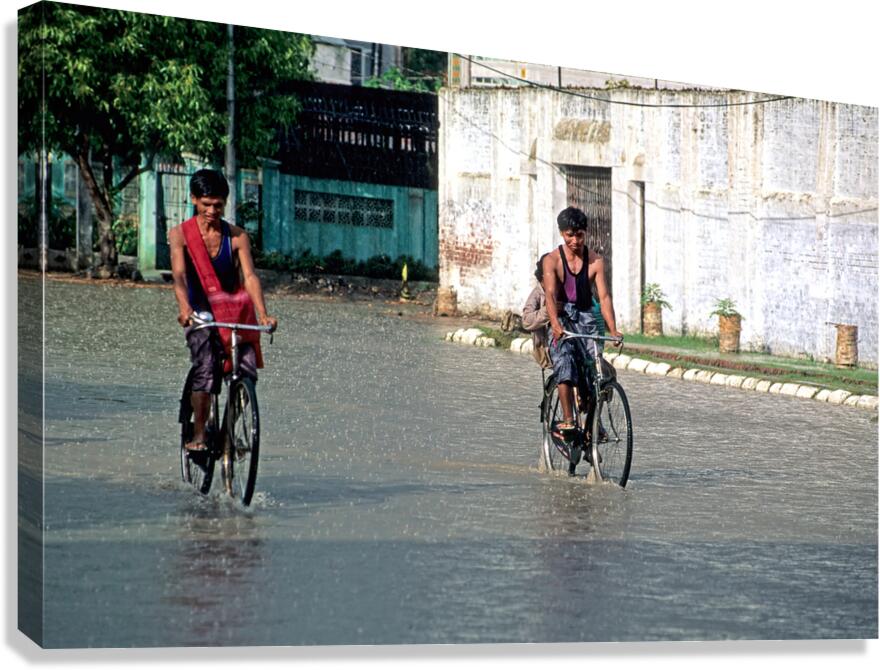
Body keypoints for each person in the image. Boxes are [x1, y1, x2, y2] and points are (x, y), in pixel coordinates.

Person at [169, 169, 278, 451]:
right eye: (206, 204)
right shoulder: (180, 235)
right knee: (205, 368)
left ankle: (230, 433)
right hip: (200, 314)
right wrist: (184, 309)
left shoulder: (238, 237)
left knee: (247, 372)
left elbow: (250, 277)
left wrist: (263, 313)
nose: (212, 211)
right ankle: (200, 433)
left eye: (218, 205)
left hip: (234, 314)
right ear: (194, 200)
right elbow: (179, 276)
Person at [542, 206, 621, 438]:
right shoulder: (552, 260)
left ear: (585, 234)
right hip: (562, 317)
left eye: (579, 235)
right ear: (562, 234)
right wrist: (555, 325)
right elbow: (549, 295)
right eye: (570, 235)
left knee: (596, 370)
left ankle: (594, 424)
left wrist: (613, 329)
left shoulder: (595, 261)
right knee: (564, 361)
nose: (575, 240)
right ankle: (568, 420)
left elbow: (604, 297)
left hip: (586, 318)